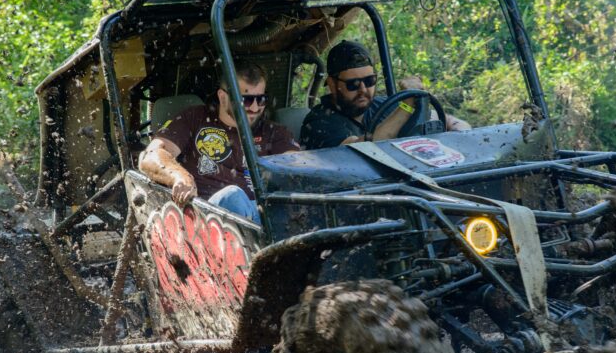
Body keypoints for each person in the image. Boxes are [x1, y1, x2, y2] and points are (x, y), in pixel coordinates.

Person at [138, 60, 299, 223]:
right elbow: (151, 156)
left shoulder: (275, 132)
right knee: (233, 196)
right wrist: (180, 177)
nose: (255, 108)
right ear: (223, 97)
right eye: (246, 100)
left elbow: (298, 172)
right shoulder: (195, 118)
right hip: (208, 218)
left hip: (266, 216)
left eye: (261, 99)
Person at [299, 40, 470, 150]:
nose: (363, 90)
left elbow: (447, 120)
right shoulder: (319, 123)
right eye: (353, 84)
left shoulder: (384, 105)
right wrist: (408, 104)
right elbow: (368, 149)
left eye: (370, 80)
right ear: (332, 84)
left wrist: (461, 139)